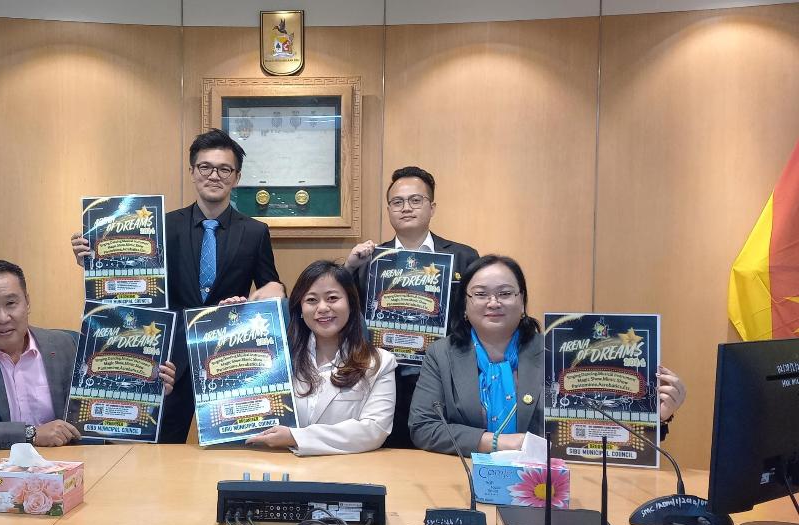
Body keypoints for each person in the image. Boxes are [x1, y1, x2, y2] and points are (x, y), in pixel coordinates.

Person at [72, 129, 284, 443]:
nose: (214, 175)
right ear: (192, 172)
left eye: (224, 169)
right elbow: (136, 286)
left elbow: (270, 285)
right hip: (167, 357)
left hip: (226, 353)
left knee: (236, 444)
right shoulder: (161, 225)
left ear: (236, 177)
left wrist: (275, 290)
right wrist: (95, 262)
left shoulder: (254, 232)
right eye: (205, 167)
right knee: (160, 444)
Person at [408, 254, 685, 455]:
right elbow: (422, 427)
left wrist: (656, 417)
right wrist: (497, 442)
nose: (493, 302)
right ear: (465, 305)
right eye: (480, 294)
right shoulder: (441, 354)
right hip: (463, 477)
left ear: (522, 300)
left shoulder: (560, 353)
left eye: (505, 293)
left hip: (546, 482)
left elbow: (599, 428)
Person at [0, 259, 175, 452]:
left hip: (72, 467)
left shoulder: (69, 344)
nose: (2, 317)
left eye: (11, 303)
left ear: (27, 303)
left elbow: (106, 410)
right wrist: (31, 434)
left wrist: (145, 392)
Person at [344, 166, 481, 449]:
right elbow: (345, 312)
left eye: (415, 200)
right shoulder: (370, 260)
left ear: (432, 207)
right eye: (397, 202)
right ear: (389, 209)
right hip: (385, 376)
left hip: (445, 376)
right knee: (388, 452)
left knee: (441, 449)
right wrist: (348, 268)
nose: (406, 208)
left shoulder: (463, 257)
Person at [245, 261, 396, 455]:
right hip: (283, 471)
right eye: (311, 300)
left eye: (332, 298)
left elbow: (374, 431)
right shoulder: (278, 361)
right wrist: (229, 318)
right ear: (300, 309)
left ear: (350, 303)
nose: (323, 307)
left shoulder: (380, 363)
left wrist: (296, 437)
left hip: (348, 475)